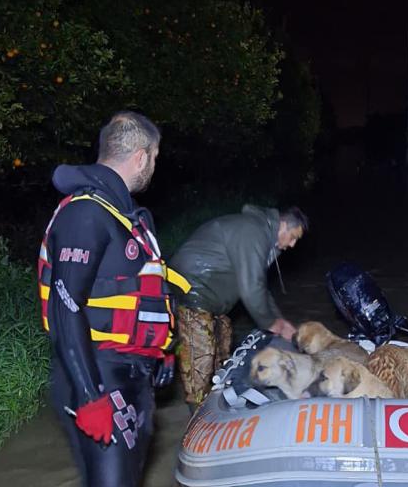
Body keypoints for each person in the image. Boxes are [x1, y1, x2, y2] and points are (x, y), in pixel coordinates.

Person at [38, 111, 189, 487]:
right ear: (141, 156)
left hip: (134, 372)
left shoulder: (128, 218)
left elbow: (147, 290)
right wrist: (90, 397)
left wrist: (163, 350)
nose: (153, 167)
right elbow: (64, 305)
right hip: (99, 373)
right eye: (154, 158)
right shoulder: (85, 213)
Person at [170, 205, 308, 406]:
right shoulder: (253, 232)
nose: (293, 244)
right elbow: (251, 288)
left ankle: (220, 408)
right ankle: (199, 416)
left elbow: (260, 288)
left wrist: (279, 321)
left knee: (224, 362)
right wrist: (271, 323)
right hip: (193, 291)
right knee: (200, 365)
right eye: (293, 237)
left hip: (212, 301)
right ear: (283, 225)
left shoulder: (265, 238)